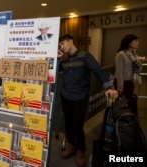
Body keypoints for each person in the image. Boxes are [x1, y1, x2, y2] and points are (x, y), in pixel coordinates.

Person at [58, 34, 118, 167]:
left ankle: (81, 150)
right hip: (66, 96)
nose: (61, 47)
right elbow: (53, 71)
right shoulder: (65, 60)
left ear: (71, 41)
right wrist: (56, 60)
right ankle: (71, 145)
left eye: (63, 43)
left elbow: (98, 71)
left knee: (77, 126)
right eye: (59, 45)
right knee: (68, 124)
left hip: (80, 96)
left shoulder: (85, 56)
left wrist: (108, 86)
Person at [114, 34, 142, 115]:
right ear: (129, 43)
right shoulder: (121, 54)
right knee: (120, 105)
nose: (138, 43)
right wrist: (120, 87)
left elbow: (136, 65)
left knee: (128, 105)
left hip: (130, 83)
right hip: (122, 83)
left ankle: (126, 123)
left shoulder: (134, 54)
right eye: (136, 41)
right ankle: (118, 123)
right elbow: (119, 72)